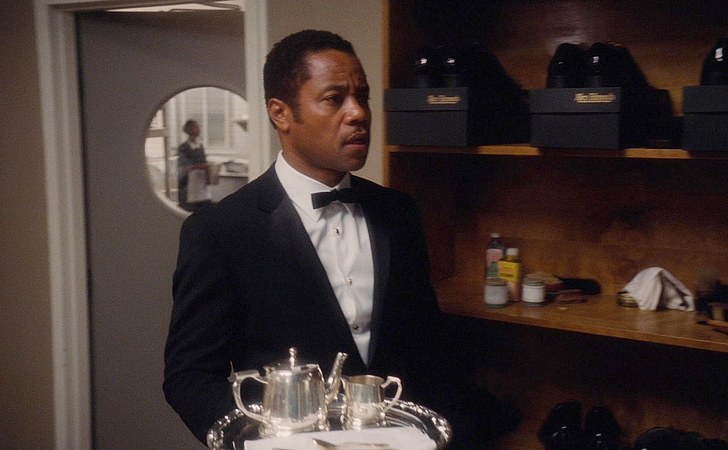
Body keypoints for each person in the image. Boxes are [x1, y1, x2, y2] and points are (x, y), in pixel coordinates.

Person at [163, 30, 519, 448]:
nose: (358, 113)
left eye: (362, 96)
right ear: (281, 114)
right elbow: (190, 376)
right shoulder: (221, 230)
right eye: (335, 99)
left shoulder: (398, 212)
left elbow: (428, 347)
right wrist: (260, 441)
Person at [176, 119, 211, 211]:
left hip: (201, 185)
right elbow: (186, 167)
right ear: (190, 130)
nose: (199, 129)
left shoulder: (200, 146)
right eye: (196, 127)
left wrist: (208, 176)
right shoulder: (183, 148)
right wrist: (203, 166)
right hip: (189, 187)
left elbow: (204, 163)